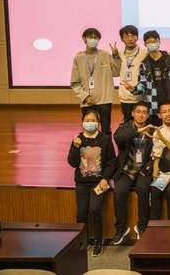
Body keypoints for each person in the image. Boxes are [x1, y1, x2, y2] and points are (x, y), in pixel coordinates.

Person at [67, 110, 116, 257]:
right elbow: (72, 162)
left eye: (93, 120)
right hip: (82, 182)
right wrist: (75, 147)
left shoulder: (105, 139)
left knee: (95, 210)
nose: (90, 123)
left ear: (98, 123)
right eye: (87, 120)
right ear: (83, 123)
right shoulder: (78, 140)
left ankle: (98, 241)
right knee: (81, 213)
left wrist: (105, 178)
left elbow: (111, 162)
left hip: (98, 183)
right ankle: (82, 240)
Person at [111, 101, 154, 245]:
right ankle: (121, 228)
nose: (141, 115)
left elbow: (155, 152)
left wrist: (149, 166)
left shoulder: (153, 130)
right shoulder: (124, 127)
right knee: (119, 191)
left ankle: (142, 226)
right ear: (132, 113)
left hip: (142, 170)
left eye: (144, 112)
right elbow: (118, 138)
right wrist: (138, 131)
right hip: (127, 169)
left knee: (143, 189)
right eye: (138, 112)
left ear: (148, 115)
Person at [70, 27, 121, 136]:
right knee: (89, 128)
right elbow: (75, 82)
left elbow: (117, 72)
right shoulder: (79, 58)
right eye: (90, 37)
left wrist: (116, 56)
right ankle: (89, 146)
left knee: (106, 129)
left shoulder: (105, 54)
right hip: (87, 100)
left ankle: (107, 147)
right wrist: (85, 97)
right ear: (84, 39)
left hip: (104, 99)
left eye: (96, 38)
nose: (93, 40)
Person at [134, 30, 170, 126]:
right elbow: (142, 83)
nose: (152, 44)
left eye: (154, 41)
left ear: (159, 41)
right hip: (153, 104)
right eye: (149, 42)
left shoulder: (169, 60)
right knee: (155, 131)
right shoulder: (144, 64)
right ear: (145, 44)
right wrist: (134, 89)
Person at [118, 25, 146, 123]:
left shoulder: (144, 53)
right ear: (122, 39)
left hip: (140, 97)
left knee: (141, 123)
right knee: (127, 124)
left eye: (133, 36)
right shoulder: (119, 53)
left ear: (137, 37)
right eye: (127, 36)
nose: (130, 39)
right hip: (125, 97)